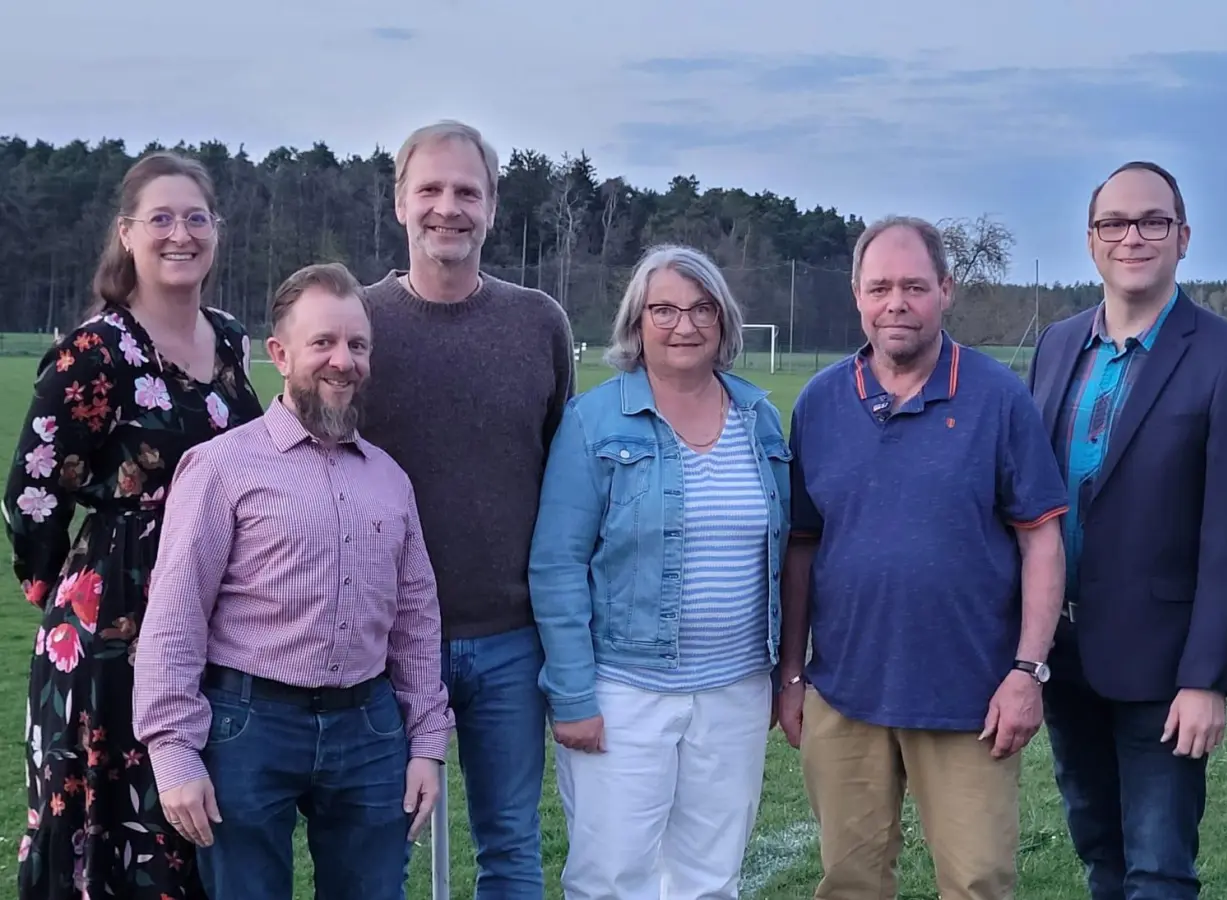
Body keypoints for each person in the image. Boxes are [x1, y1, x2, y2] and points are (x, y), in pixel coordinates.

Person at [130, 262, 454, 899]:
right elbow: (175, 614)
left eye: (357, 345)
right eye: (323, 343)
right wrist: (173, 754)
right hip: (248, 726)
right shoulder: (221, 468)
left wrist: (426, 745)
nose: (343, 361)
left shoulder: (389, 478)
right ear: (279, 353)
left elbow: (416, 618)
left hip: (369, 728)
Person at [775, 215, 1069, 900]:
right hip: (845, 691)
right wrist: (791, 673)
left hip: (968, 695)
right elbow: (801, 549)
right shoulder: (820, 403)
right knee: (849, 881)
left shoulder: (998, 397)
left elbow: (1041, 539)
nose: (895, 304)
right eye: (879, 288)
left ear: (945, 289)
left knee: (976, 882)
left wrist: (1027, 670)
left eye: (913, 286)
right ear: (856, 295)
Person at [4, 150, 264, 900]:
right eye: (160, 219)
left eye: (195, 218)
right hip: (115, 620)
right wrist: (63, 590)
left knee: (193, 815)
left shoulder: (229, 340)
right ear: (126, 233)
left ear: (216, 230)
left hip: (216, 604)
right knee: (113, 818)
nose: (179, 234)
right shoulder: (96, 351)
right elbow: (31, 489)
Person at [1024, 161, 1227, 899]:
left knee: (1158, 867)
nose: (1131, 237)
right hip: (1063, 658)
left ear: (1182, 236)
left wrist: (1206, 679)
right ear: (1090, 239)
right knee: (1099, 849)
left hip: (1163, 668)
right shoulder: (1058, 345)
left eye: (1151, 222)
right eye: (1114, 223)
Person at [528, 244, 791, 899]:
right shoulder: (595, 420)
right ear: (636, 323)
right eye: (665, 309)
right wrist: (574, 696)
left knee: (709, 877)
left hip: (734, 689)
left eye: (702, 308)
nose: (685, 325)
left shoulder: (758, 419)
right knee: (613, 877)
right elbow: (557, 564)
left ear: (724, 322)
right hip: (623, 692)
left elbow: (783, 550)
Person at [359, 120, 574, 898]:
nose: (447, 208)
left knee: (510, 845)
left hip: (509, 642)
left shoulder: (538, 323)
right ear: (399, 202)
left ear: (490, 207)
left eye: (466, 192)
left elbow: (563, 476)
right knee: (382, 846)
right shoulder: (357, 324)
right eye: (430, 189)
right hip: (378, 644)